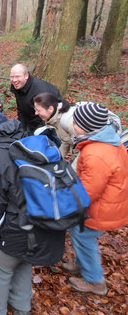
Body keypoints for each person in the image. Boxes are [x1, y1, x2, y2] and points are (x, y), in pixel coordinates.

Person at [0, 114, 66, 315]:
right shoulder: (32, 143)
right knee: (23, 260)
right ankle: (21, 307)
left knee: (1, 268)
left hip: (19, 225)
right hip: (47, 219)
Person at [61, 103, 128, 296]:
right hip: (108, 201)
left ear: (86, 126)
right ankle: (81, 264)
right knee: (80, 234)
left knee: (83, 237)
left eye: (76, 122)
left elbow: (88, 191)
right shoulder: (109, 141)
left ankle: (95, 280)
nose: (72, 124)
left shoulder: (96, 153)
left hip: (99, 207)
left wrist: (67, 204)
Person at [9, 64, 62, 133]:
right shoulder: (19, 87)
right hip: (30, 120)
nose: (14, 80)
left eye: (17, 76)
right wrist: (21, 130)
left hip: (50, 124)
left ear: (26, 76)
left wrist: (34, 135)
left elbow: (45, 117)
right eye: (12, 77)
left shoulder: (39, 92)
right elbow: (21, 110)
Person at [32, 92, 79, 168]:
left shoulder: (69, 122)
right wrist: (57, 161)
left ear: (50, 109)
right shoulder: (54, 119)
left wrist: (72, 171)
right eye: (35, 110)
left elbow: (83, 147)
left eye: (38, 110)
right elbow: (65, 139)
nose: (36, 113)